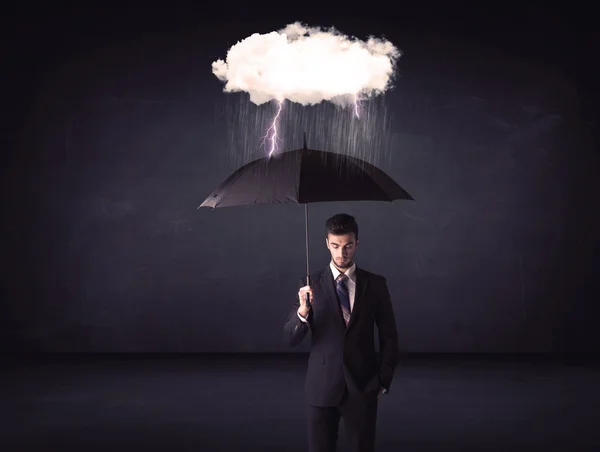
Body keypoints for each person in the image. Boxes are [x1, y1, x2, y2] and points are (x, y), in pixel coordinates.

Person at [283, 213, 399, 452]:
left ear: (357, 243)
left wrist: (383, 380)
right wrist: (303, 312)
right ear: (327, 243)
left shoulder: (375, 284)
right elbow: (290, 338)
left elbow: (389, 336)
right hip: (321, 387)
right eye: (335, 246)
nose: (341, 253)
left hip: (362, 386)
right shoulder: (309, 283)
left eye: (347, 246)